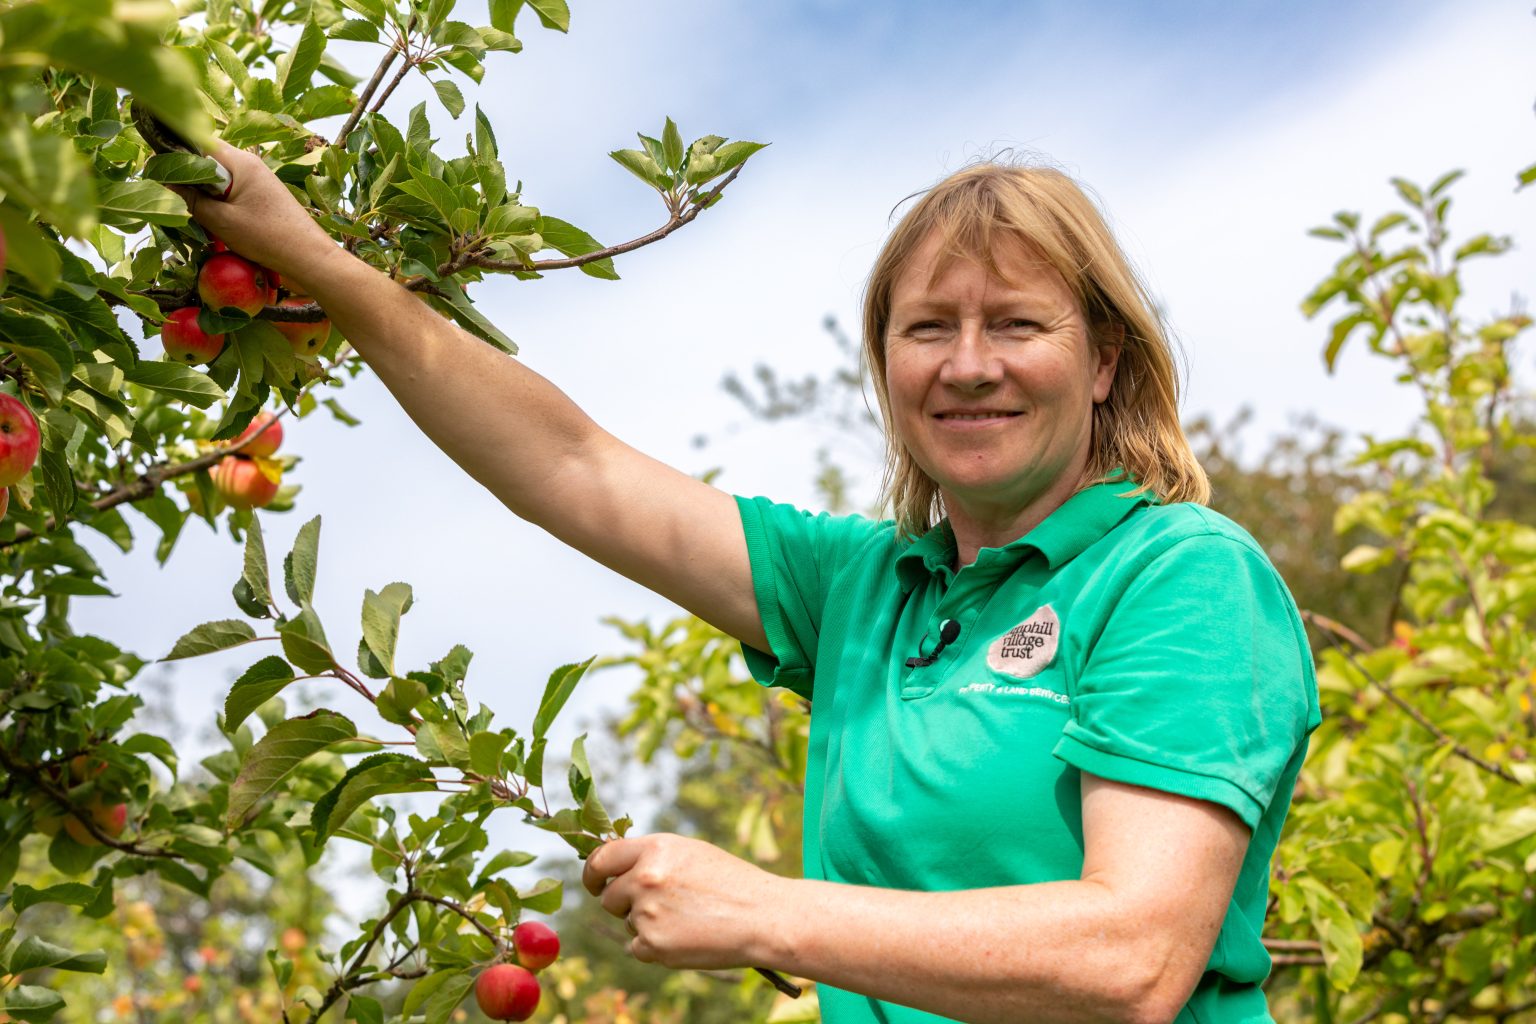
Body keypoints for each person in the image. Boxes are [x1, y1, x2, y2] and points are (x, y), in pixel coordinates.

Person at [183, 147, 1319, 1024]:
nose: (968, 364)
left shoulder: (1180, 577)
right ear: (887, 366)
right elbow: (570, 466)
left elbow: (1134, 959)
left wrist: (769, 909)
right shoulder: (867, 590)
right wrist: (317, 259)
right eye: (928, 329)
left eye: (1017, 324)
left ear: (1105, 359)